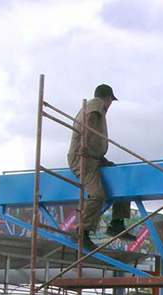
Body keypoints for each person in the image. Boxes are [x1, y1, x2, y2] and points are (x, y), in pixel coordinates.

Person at [67, 83, 132, 248]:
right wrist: (85, 145)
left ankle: (117, 223)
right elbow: (88, 124)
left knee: (120, 180)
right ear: (108, 98)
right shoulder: (96, 103)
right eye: (110, 101)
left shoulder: (98, 109)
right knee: (97, 194)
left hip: (93, 158)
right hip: (83, 158)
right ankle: (82, 232)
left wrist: (103, 159)